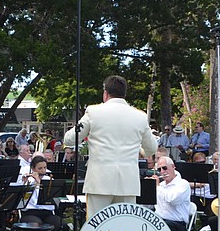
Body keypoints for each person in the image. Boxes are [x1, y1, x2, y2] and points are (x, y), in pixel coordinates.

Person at [62, 75, 157, 218]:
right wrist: (139, 150)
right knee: (124, 226)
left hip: (99, 181)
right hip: (128, 183)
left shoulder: (93, 112)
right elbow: (152, 148)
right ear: (124, 94)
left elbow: (69, 139)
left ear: (105, 93)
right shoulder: (140, 116)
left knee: (97, 226)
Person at [20, 155, 67, 231]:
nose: (43, 171)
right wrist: (34, 184)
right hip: (30, 212)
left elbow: (54, 200)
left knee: (62, 226)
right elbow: (26, 201)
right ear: (33, 169)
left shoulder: (49, 181)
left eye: (45, 168)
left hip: (47, 212)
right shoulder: (28, 181)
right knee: (37, 226)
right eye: (40, 168)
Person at [152, 157, 192, 231]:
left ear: (173, 166)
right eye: (159, 170)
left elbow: (172, 200)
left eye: (164, 168)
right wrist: (147, 186)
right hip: (159, 220)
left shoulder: (183, 184)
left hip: (176, 223)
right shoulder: (161, 185)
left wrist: (157, 187)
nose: (162, 172)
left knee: (160, 227)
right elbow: (150, 205)